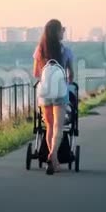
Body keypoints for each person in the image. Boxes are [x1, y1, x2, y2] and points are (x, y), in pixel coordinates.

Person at [33, 19, 74, 175]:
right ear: (57, 32)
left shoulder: (39, 50)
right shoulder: (66, 51)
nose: (64, 31)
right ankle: (53, 155)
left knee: (49, 126)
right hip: (60, 92)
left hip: (44, 94)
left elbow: (36, 74)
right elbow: (71, 76)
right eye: (62, 29)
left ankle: (53, 159)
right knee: (58, 126)